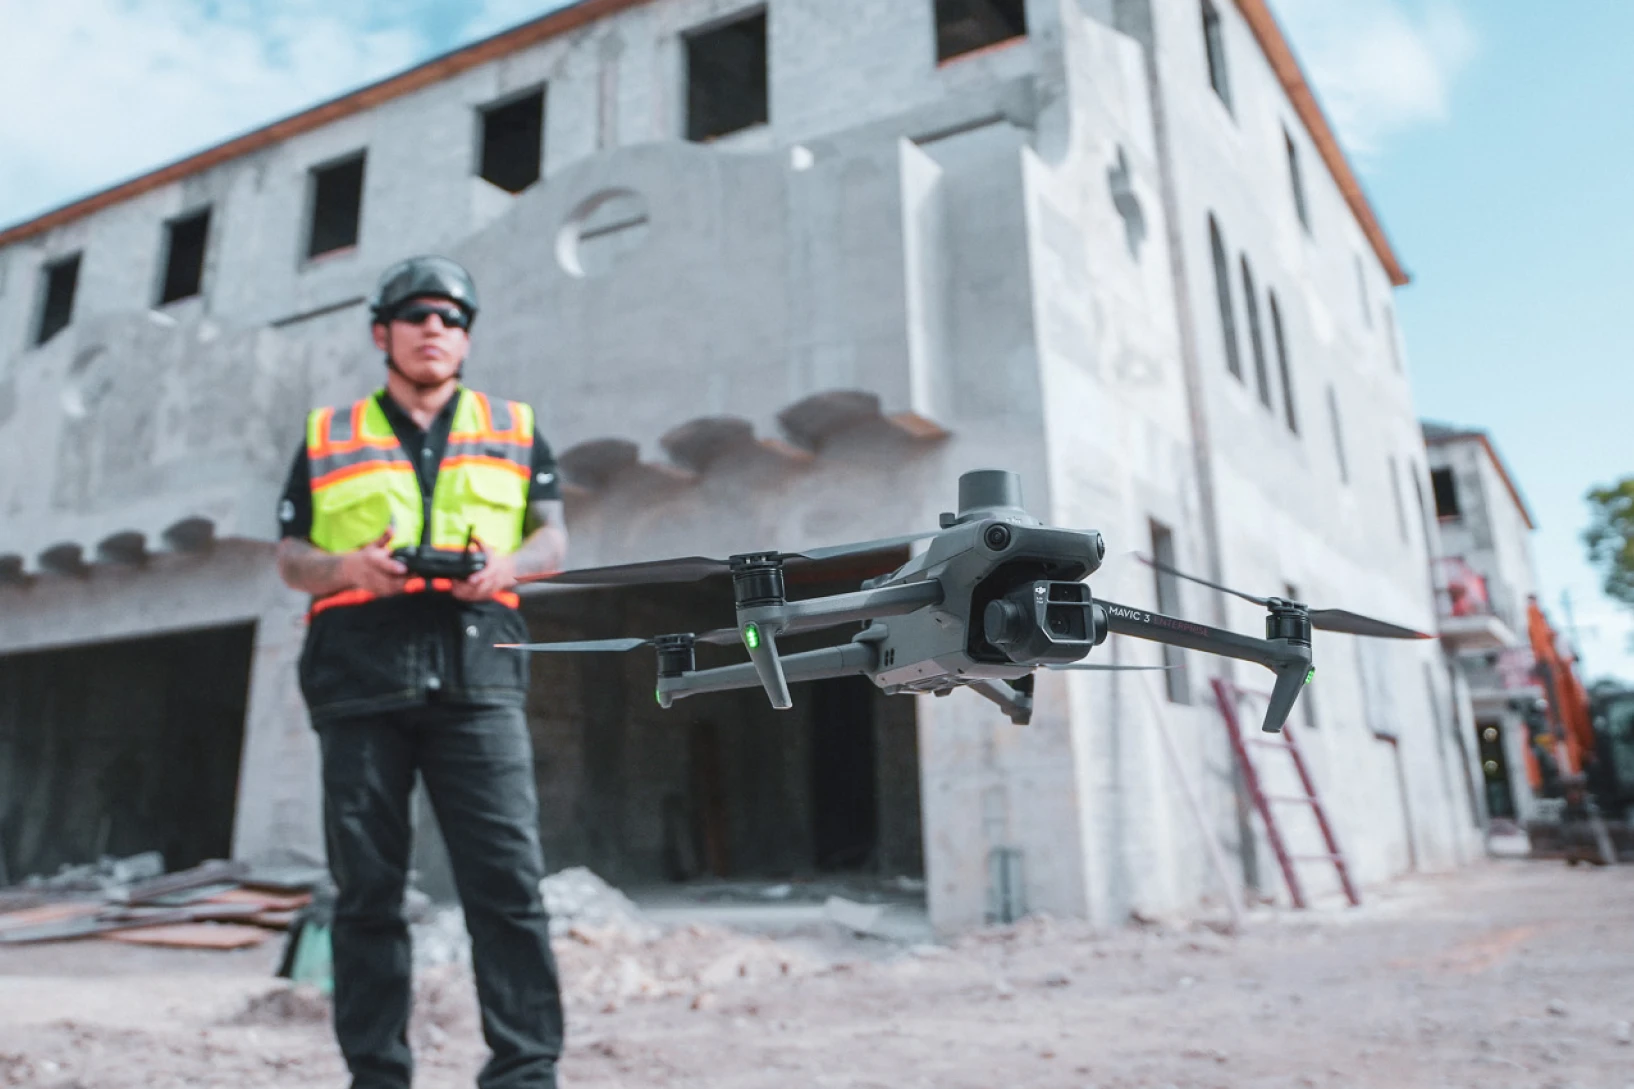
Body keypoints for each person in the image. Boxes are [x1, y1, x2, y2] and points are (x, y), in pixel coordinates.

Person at [275, 255, 568, 1089]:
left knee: (508, 883)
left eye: (450, 317)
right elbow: (289, 556)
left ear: (466, 336)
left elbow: (555, 538)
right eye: (416, 316)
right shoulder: (329, 433)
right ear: (383, 334)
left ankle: (524, 1072)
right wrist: (345, 569)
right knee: (367, 893)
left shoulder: (513, 425)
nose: (434, 328)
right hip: (360, 674)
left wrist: (507, 563)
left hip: (480, 670)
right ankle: (377, 1076)